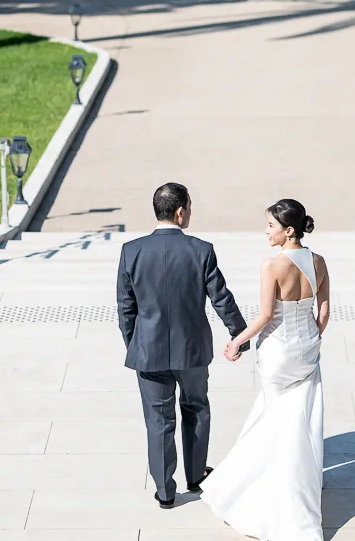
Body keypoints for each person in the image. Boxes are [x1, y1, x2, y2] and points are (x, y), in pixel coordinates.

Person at [201, 198, 331, 540]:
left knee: (274, 419)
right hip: (307, 351)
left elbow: (265, 316)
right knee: (300, 418)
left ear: (289, 231)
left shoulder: (271, 265)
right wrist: (311, 335)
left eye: (271, 226)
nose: (266, 231)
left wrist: (235, 342)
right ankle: (301, 481)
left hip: (277, 354)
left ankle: (268, 488)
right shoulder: (318, 261)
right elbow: (325, 311)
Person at [116, 182, 250, 509]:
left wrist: (135, 343)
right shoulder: (201, 249)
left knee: (158, 420)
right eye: (189, 207)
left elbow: (126, 308)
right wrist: (239, 334)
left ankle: (165, 492)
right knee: (196, 410)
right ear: (180, 212)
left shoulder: (131, 251)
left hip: (148, 352)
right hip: (192, 351)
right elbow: (221, 298)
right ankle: (195, 475)